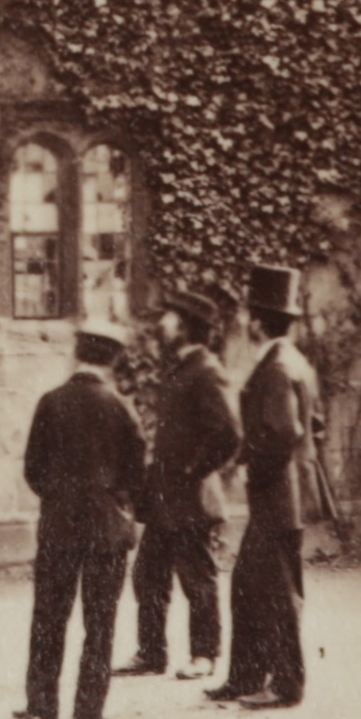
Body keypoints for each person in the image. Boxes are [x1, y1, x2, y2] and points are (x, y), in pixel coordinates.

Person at [17, 322, 146, 719]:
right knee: (101, 620)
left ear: (77, 354)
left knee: (49, 616)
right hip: (107, 528)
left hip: (59, 524)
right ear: (113, 360)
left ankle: (41, 704)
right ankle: (89, 709)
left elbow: (33, 468)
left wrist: (57, 498)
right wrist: (118, 504)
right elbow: (137, 473)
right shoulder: (122, 407)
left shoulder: (51, 402)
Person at [211, 264, 324, 712]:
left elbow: (283, 431)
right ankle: (245, 676)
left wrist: (250, 467)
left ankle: (285, 684)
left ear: (259, 320)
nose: (244, 323)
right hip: (283, 490)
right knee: (247, 583)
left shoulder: (276, 368)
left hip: (277, 492)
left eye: (248, 315)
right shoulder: (292, 362)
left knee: (276, 590)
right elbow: (312, 424)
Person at [120, 288, 240, 683]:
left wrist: (193, 470)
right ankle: (151, 653)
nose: (162, 324)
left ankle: (205, 655)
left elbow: (228, 432)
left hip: (191, 497)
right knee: (148, 575)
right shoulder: (182, 368)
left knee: (198, 579)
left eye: (170, 318)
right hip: (165, 499)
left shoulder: (207, 371)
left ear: (186, 327)